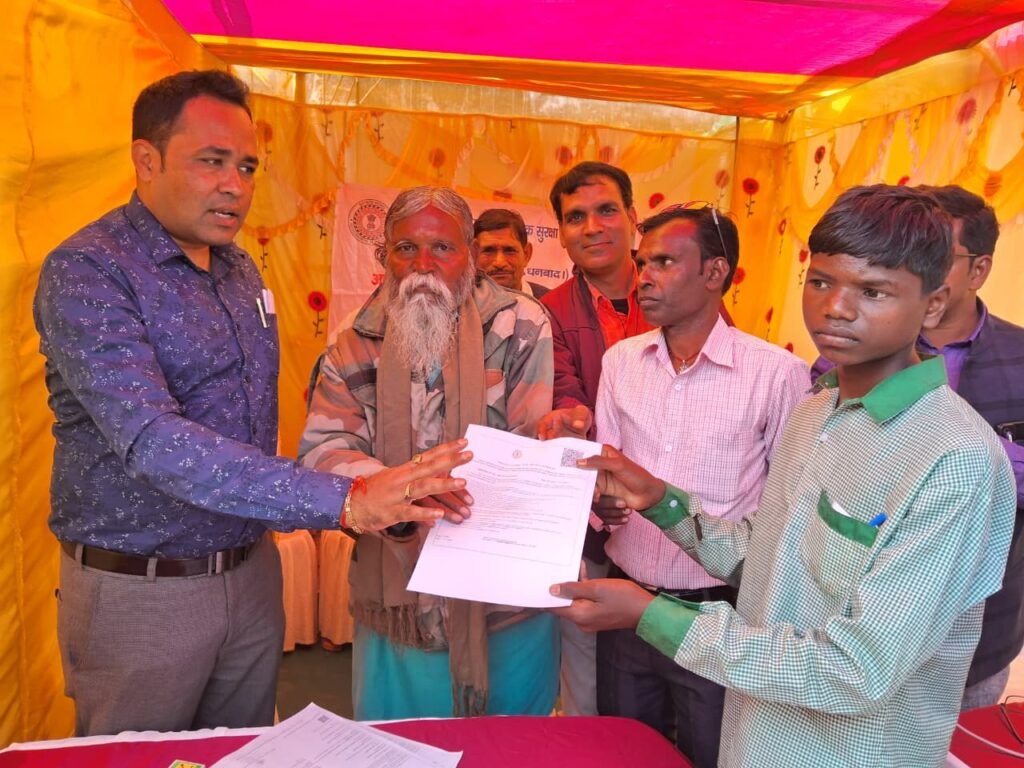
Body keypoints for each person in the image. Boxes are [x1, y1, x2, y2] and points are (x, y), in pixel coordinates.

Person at [32, 70, 471, 737]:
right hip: (143, 589)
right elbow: (152, 438)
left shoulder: (238, 270)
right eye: (211, 162)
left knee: (243, 750)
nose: (235, 186)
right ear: (146, 159)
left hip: (251, 572)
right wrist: (347, 499)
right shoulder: (90, 269)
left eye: (245, 166)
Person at [552, 185, 1016, 767]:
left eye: (873, 291)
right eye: (820, 282)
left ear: (933, 303)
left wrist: (650, 614)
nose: (836, 308)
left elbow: (857, 669)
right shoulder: (817, 410)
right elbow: (770, 563)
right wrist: (663, 503)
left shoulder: (953, 457)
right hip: (754, 736)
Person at [298, 186, 557, 720]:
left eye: (442, 247)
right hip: (399, 595)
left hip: (501, 597)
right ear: (384, 256)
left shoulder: (520, 323)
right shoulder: (354, 339)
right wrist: (404, 498)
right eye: (405, 248)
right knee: (398, 742)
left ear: (469, 253)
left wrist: (448, 491)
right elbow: (324, 451)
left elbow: (530, 447)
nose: (423, 265)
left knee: (509, 748)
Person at [590, 205, 808, 767]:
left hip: (723, 615)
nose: (644, 277)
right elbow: (605, 470)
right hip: (626, 604)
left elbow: (788, 504)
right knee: (625, 754)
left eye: (664, 262)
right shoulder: (620, 362)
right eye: (642, 263)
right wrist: (601, 505)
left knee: (715, 755)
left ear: (715, 273)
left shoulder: (776, 374)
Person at [813, 184, 1024, 709]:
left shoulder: (1020, 358)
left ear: (978, 270)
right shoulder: (844, 360)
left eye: (938, 252)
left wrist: (983, 465)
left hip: (981, 629)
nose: (839, 307)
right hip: (851, 621)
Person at [473, 208, 549, 298]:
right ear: (473, 255)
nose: (499, 263)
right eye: (489, 251)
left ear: (526, 254)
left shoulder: (549, 303)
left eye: (509, 251)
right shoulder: (461, 303)